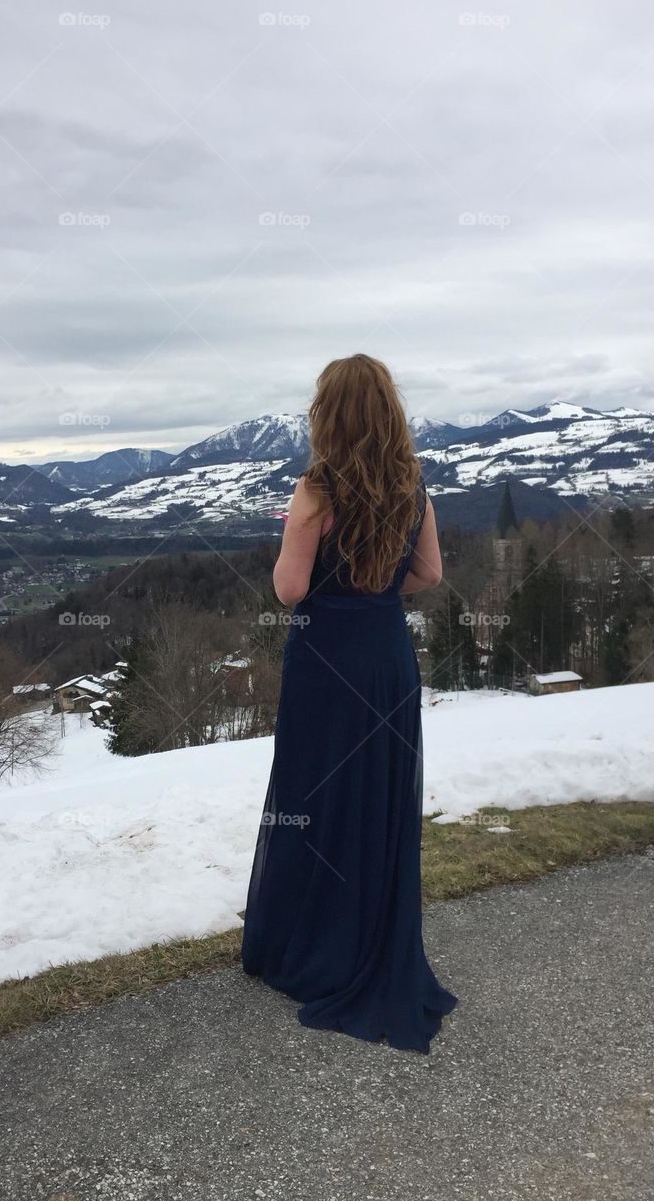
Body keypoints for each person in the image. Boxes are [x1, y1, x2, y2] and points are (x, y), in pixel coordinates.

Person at [241, 354, 458, 1051]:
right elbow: (429, 572)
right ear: (390, 411)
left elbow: (289, 590)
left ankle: (311, 946)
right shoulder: (412, 486)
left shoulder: (316, 488)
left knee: (315, 796)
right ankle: (371, 939)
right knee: (377, 800)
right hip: (386, 660)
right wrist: (377, 591)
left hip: (325, 661)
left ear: (326, 415)